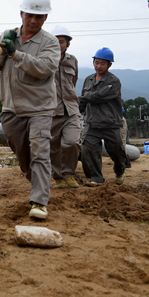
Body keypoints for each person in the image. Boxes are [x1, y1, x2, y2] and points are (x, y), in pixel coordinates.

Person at [0, 0, 60, 221]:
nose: (34, 20)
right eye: (30, 15)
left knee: (40, 151)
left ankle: (39, 201)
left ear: (45, 18)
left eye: (39, 17)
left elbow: (44, 68)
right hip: (11, 109)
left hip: (40, 108)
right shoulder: (9, 36)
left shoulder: (50, 42)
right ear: (21, 13)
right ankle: (38, 181)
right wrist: (1, 48)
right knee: (22, 154)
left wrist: (16, 54)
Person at [79, 47, 126, 187]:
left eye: (102, 63)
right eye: (96, 63)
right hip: (92, 123)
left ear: (109, 65)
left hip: (110, 123)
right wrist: (79, 113)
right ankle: (96, 178)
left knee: (116, 152)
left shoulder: (114, 81)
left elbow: (98, 96)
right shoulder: (88, 80)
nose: (98, 66)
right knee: (89, 149)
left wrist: (82, 97)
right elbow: (83, 100)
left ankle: (119, 170)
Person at [49, 25, 82, 189]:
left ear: (67, 43)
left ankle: (69, 174)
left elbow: (73, 82)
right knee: (54, 147)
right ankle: (58, 177)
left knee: (71, 142)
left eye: (61, 41)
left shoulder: (72, 60)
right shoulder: (46, 60)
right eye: (55, 41)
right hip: (52, 110)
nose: (58, 44)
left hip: (71, 109)